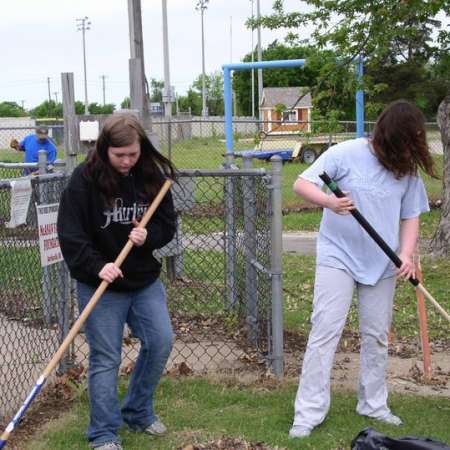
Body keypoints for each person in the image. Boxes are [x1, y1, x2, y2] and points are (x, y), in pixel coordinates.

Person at [289, 100, 435, 439]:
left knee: (377, 335)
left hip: (382, 263)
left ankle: (373, 404)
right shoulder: (347, 153)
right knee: (325, 329)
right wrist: (330, 201)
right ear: (387, 136)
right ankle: (308, 412)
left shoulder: (406, 169)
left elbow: (411, 215)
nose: (406, 151)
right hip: (337, 254)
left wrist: (407, 254)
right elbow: (302, 183)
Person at [57, 114, 177, 450]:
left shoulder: (152, 177)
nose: (126, 162)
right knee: (105, 357)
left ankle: (137, 412)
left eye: (132, 155)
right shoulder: (84, 181)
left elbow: (167, 226)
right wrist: (99, 266)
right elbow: (70, 235)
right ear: (104, 149)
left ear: (141, 149)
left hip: (142, 280)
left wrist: (147, 236)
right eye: (119, 155)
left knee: (160, 341)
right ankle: (104, 433)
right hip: (101, 284)